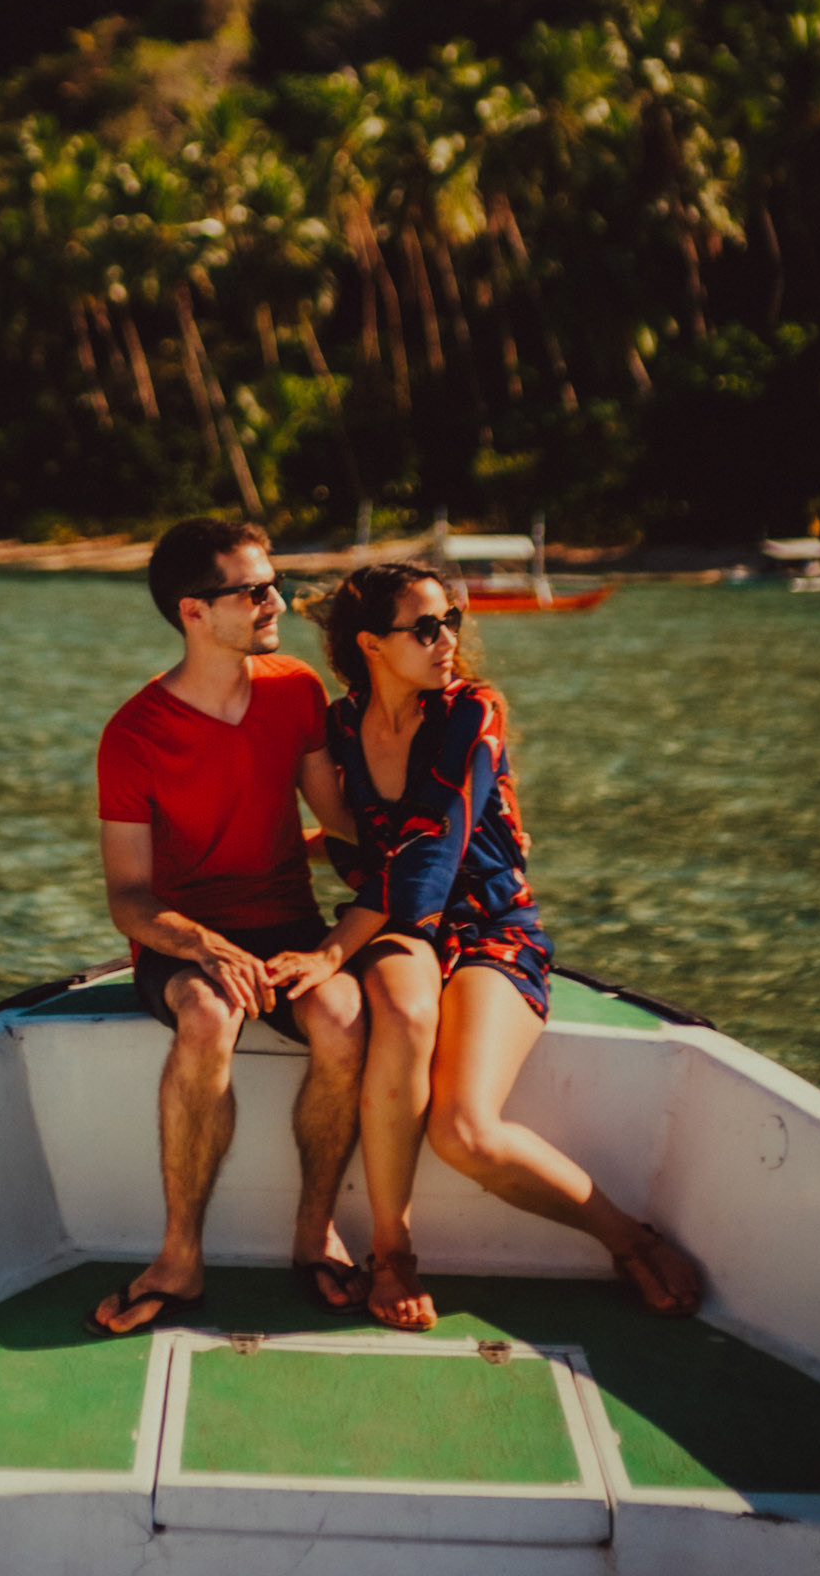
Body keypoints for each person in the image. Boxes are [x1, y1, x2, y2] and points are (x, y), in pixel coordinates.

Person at [267, 562, 701, 1333]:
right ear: (372, 644)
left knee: (465, 1132)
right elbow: (365, 837)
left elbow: (430, 854)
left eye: (452, 622)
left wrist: (331, 953)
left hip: (489, 924)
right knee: (400, 1014)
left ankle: (627, 1239)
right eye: (427, 627)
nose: (448, 640)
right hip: (397, 923)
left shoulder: (472, 712)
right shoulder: (338, 727)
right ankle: (393, 1252)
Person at [85, 517, 368, 1338]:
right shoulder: (132, 736)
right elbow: (129, 898)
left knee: (344, 1021)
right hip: (185, 939)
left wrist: (460, 828)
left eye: (271, 582)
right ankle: (180, 1257)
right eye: (254, 590)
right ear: (194, 612)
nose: (276, 599)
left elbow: (341, 818)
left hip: (288, 925)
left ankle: (315, 1234)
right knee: (208, 1016)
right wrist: (206, 946)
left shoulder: (295, 690)